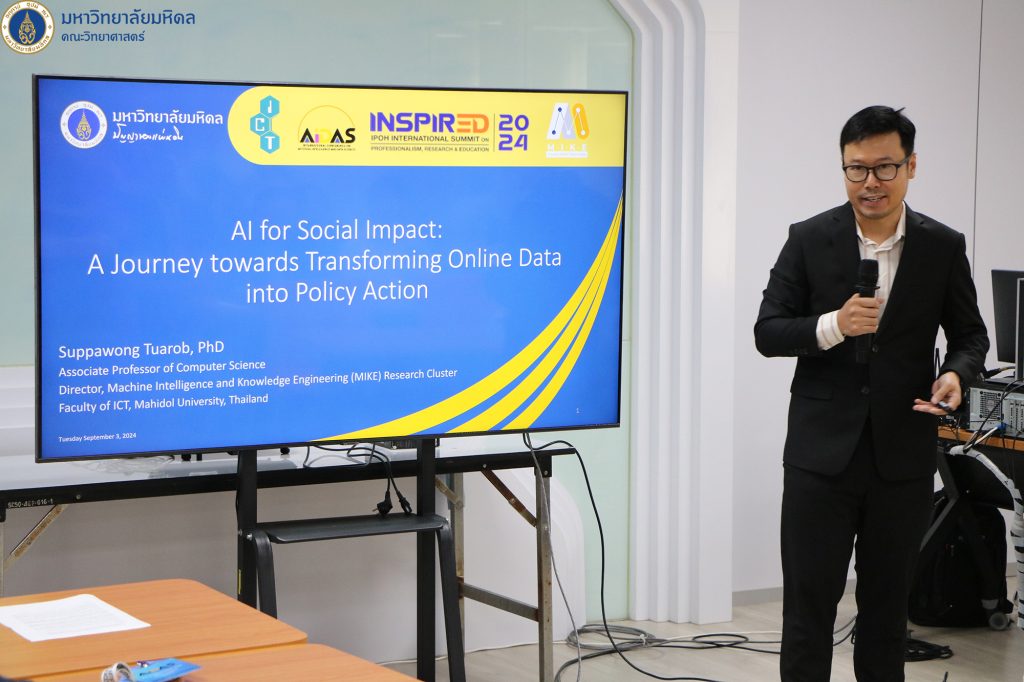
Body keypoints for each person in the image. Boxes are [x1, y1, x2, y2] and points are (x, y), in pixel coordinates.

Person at [754, 105, 989, 681]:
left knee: (887, 615)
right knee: (808, 611)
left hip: (902, 456)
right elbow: (768, 331)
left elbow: (970, 336)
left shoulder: (942, 245)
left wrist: (956, 375)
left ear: (912, 166)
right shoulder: (809, 238)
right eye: (856, 169)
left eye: (885, 168)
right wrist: (834, 325)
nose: (870, 183)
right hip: (819, 457)